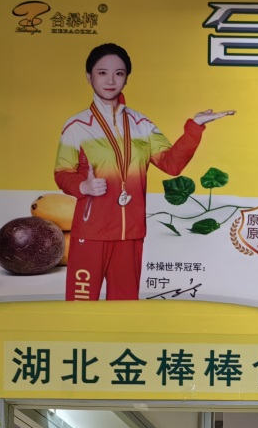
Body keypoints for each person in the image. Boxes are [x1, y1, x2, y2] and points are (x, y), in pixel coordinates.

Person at [54, 43, 234, 301]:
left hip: (131, 233)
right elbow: (62, 172)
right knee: (79, 307)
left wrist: (195, 127)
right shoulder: (77, 126)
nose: (110, 80)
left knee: (125, 309)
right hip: (91, 233)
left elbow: (171, 164)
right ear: (89, 76)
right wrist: (83, 186)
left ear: (127, 78)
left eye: (119, 73)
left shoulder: (142, 125)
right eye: (102, 73)